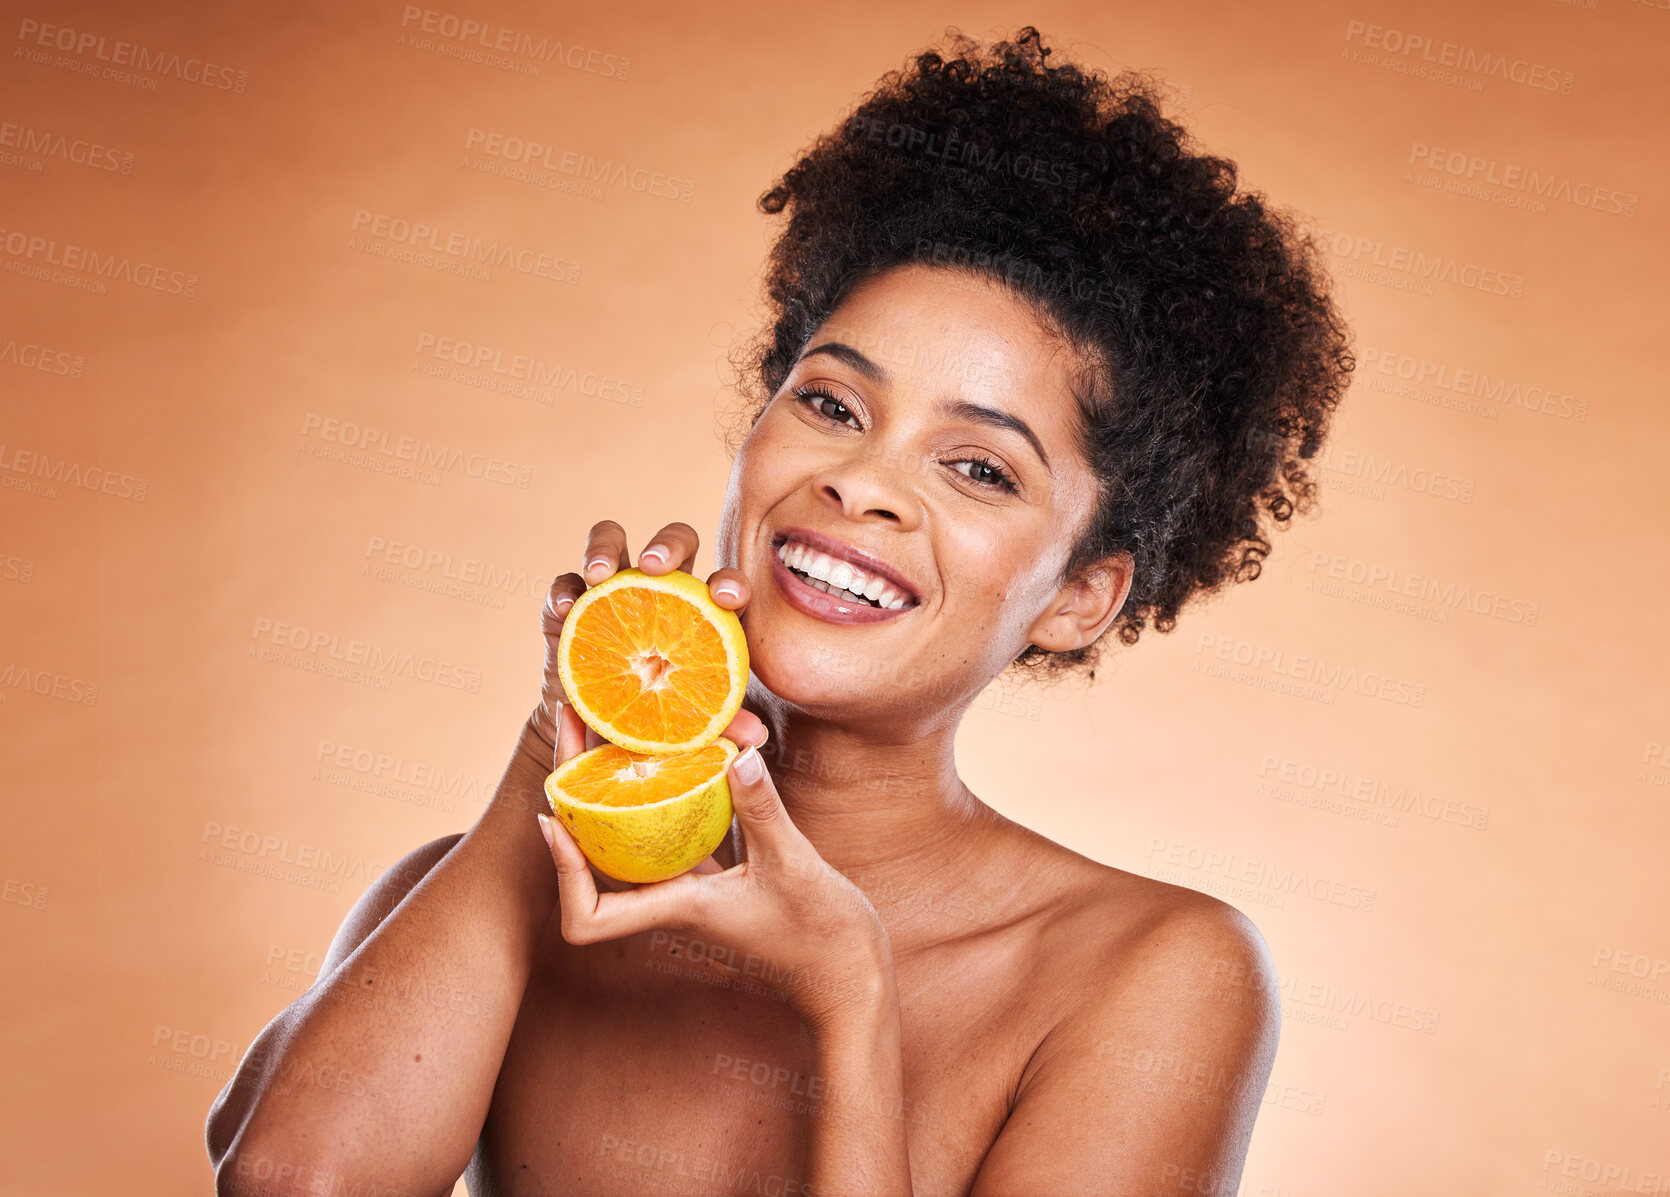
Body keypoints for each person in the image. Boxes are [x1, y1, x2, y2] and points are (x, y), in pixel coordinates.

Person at [206, 26, 1351, 1196]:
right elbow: (290, 1184)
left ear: (1076, 596)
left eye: (977, 468)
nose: (860, 484)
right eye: (833, 404)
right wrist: (553, 746)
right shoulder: (485, 895)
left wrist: (847, 995)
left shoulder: (1153, 974)